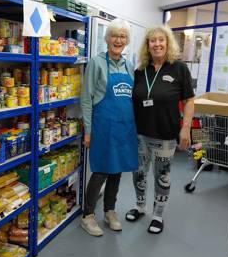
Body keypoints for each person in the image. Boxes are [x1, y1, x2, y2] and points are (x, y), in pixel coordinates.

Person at [125, 25, 195, 234]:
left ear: (167, 43)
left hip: (165, 134)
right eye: (152, 41)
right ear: (147, 45)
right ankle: (140, 206)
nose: (156, 44)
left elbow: (190, 101)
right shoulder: (139, 71)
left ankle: (158, 214)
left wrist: (186, 128)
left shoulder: (179, 68)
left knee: (162, 175)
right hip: (139, 134)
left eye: (160, 40)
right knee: (139, 173)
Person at [80, 18, 138, 237]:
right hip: (103, 127)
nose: (118, 40)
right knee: (101, 171)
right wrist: (88, 130)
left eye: (123, 36)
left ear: (126, 41)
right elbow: (86, 99)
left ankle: (110, 211)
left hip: (124, 128)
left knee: (117, 170)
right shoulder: (96, 63)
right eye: (115, 35)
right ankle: (88, 215)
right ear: (107, 38)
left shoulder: (129, 66)